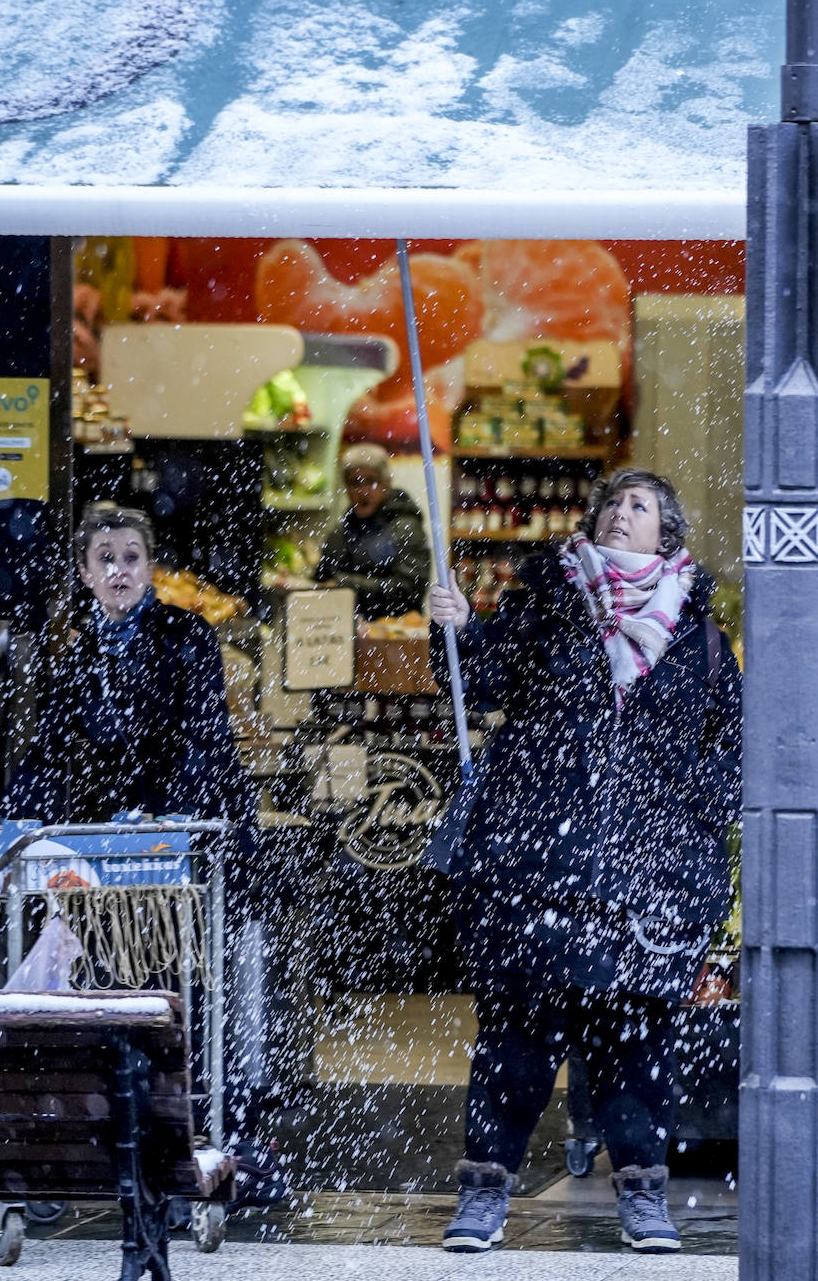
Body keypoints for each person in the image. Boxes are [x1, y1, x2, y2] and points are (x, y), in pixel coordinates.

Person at [429, 468, 741, 1255]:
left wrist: (695, 816)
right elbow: (482, 680)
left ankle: (642, 1198)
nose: (618, 514)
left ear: (666, 536)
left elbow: (731, 744)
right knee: (517, 1040)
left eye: (637, 506)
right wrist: (457, 629)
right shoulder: (546, 605)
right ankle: (483, 1197)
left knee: (636, 1046)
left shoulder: (698, 635)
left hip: (648, 880)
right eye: (610, 504)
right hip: (539, 864)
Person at [4, 502, 256, 837]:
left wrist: (172, 822)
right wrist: (9, 828)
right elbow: (46, 753)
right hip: (132, 830)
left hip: (206, 821)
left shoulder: (187, 632)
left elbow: (207, 738)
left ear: (150, 568)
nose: (119, 570)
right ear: (85, 572)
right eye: (106, 558)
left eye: (132, 558)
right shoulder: (85, 652)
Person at [314, 444, 430, 619]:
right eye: (355, 482)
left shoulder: (405, 527)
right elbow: (321, 582)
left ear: (386, 484)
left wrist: (344, 585)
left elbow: (409, 592)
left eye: (371, 481)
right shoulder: (340, 532)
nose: (363, 491)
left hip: (394, 636)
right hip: (343, 634)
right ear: (346, 487)